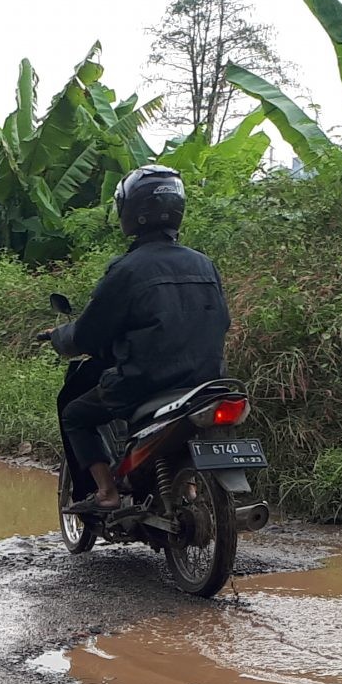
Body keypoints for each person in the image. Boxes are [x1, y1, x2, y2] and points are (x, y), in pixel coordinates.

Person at [45, 165, 230, 513]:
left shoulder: (128, 269)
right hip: (207, 382)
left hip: (146, 382)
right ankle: (179, 487)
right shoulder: (205, 265)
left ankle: (107, 493)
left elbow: (89, 332)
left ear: (131, 211)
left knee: (75, 415)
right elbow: (223, 322)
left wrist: (59, 337)